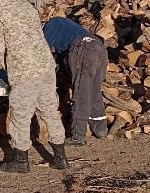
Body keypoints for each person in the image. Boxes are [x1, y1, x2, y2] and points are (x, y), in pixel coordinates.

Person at [0, 0, 68, 173]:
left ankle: (21, 161)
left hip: (23, 70)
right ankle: (61, 158)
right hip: (45, 65)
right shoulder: (27, 7)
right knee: (50, 111)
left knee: (20, 115)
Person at [43, 17, 108, 145]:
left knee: (81, 92)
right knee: (94, 91)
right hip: (99, 47)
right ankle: (101, 129)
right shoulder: (66, 26)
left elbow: (42, 52)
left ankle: (78, 136)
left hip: (83, 49)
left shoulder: (49, 26)